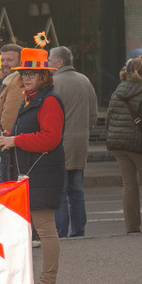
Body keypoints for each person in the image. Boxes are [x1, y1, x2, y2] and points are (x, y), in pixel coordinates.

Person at [0, 48, 65, 284]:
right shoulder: (30, 99)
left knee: (44, 228)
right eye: (24, 74)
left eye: (32, 74)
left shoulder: (50, 100)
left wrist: (15, 140)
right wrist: (5, 138)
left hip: (44, 171)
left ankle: (48, 282)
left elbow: (50, 139)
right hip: (30, 171)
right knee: (26, 228)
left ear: (45, 75)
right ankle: (28, 279)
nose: (27, 78)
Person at [50, 46, 98, 238]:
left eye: (50, 60)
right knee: (77, 189)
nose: (48, 63)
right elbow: (93, 114)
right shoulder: (85, 80)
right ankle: (79, 230)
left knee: (59, 191)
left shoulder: (54, 82)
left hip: (59, 143)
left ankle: (61, 232)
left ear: (59, 62)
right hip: (80, 141)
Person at [107, 57, 142, 233]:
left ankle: (132, 227)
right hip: (138, 144)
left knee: (129, 184)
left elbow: (108, 119)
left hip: (117, 144)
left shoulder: (117, 91)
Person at [0, 44, 25, 181]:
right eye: (2, 60)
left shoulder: (17, 81)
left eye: (9, 60)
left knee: (9, 186)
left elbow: (9, 118)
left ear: (20, 62)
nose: (4, 64)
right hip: (9, 142)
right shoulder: (9, 80)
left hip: (11, 143)